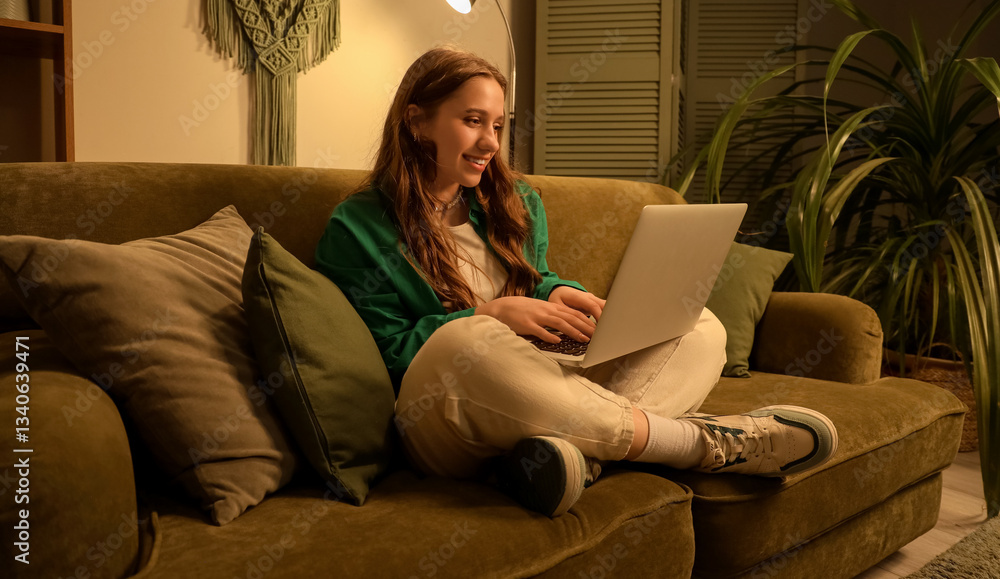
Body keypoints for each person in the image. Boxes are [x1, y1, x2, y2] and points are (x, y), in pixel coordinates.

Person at [315, 47, 838, 518]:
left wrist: (555, 292)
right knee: (466, 342)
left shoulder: (514, 204)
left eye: (498, 125)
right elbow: (382, 356)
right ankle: (706, 444)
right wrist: (489, 316)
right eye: (472, 121)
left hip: (541, 378)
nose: (489, 143)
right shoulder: (356, 227)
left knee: (697, 322)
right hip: (444, 411)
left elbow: (534, 279)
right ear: (416, 122)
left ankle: (571, 457)